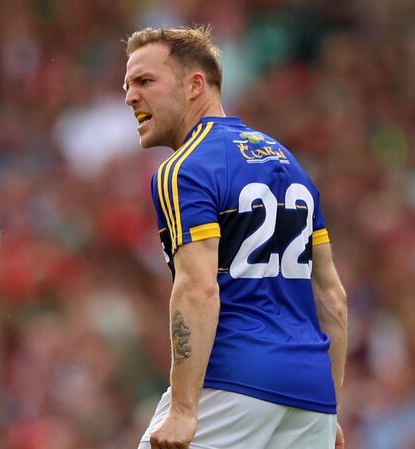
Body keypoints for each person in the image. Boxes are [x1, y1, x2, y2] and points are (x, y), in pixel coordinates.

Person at [123, 26, 348, 449]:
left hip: (234, 381)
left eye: (145, 81)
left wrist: (185, 409)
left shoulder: (184, 168)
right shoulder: (287, 161)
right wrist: (328, 406)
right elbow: (332, 295)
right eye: (128, 85)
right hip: (311, 394)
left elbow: (198, 287)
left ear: (195, 85)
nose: (131, 96)